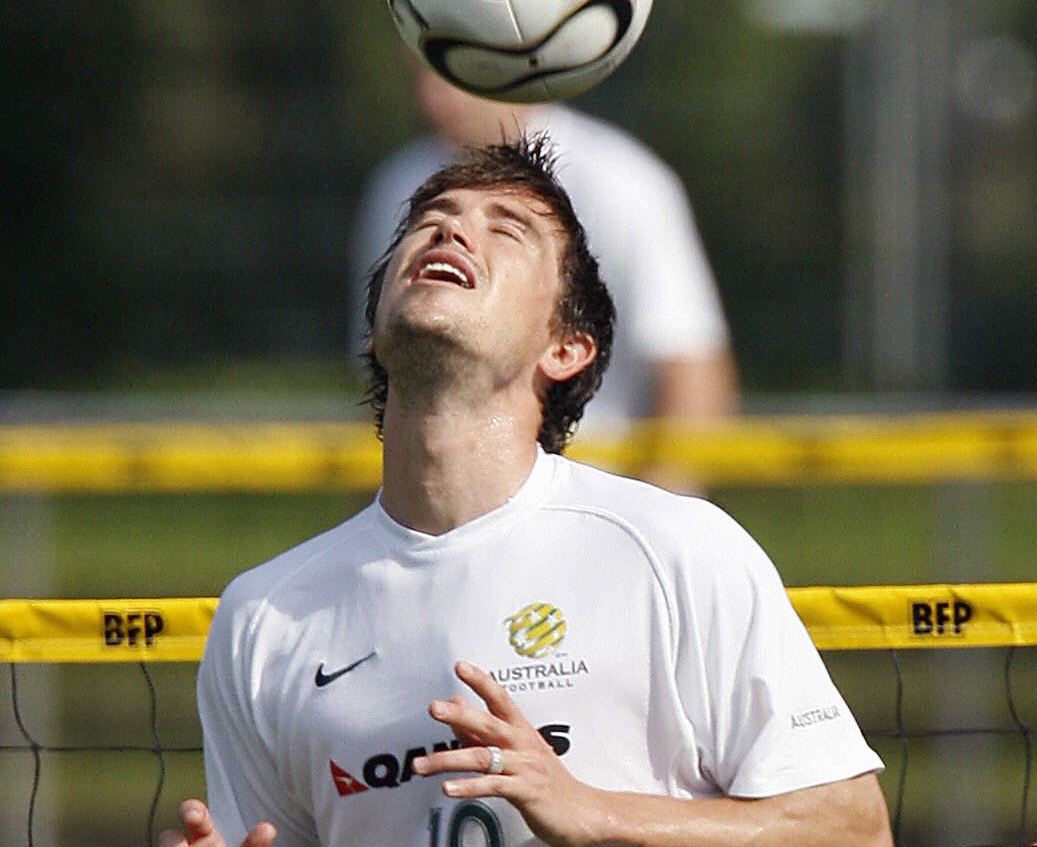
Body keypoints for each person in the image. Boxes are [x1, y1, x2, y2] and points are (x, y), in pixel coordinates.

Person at [162, 137, 891, 847]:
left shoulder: (675, 550)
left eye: (504, 229)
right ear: (374, 332)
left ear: (564, 348)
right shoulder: (263, 617)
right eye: (429, 220)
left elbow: (853, 828)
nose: (450, 228)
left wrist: (594, 812)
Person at [352, 64, 739, 434]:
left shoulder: (623, 180)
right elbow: (383, 378)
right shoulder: (396, 185)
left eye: (454, 72)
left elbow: (692, 370)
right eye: (420, 74)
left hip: (605, 481)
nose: (433, 98)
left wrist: (650, 500)